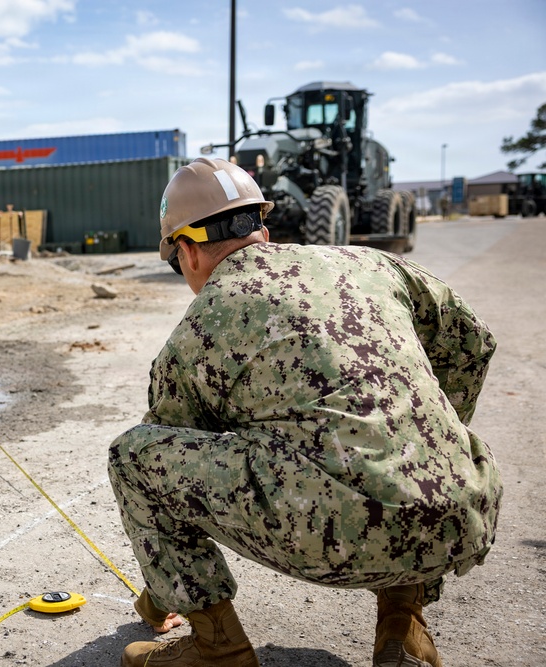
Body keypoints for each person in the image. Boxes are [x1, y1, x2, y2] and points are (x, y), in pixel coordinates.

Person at [107, 157, 502, 667]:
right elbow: (474, 342)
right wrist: (424, 439)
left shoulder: (201, 328)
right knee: (401, 453)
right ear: (263, 231)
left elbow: (161, 479)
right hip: (460, 515)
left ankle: (218, 648)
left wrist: (162, 595)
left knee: (132, 455)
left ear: (188, 251)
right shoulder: (369, 262)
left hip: (340, 537)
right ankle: (402, 621)